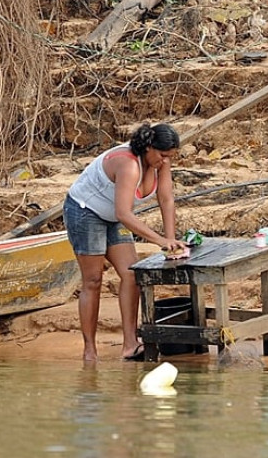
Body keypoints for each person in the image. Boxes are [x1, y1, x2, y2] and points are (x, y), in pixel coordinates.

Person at [63, 122, 187, 362]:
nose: (164, 161)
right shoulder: (129, 164)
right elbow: (124, 213)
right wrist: (159, 240)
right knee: (93, 280)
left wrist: (171, 238)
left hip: (113, 215)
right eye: (162, 155)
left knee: (131, 274)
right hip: (85, 211)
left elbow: (166, 198)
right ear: (149, 147)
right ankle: (90, 351)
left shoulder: (162, 162)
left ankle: (130, 344)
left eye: (169, 157)